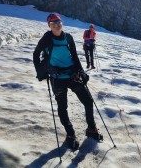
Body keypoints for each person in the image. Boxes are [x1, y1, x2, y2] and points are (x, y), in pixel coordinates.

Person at [33, 13, 103, 150]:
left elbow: (75, 57)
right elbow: (36, 54)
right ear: (49, 26)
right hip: (58, 78)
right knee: (62, 107)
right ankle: (70, 134)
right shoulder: (47, 38)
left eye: (58, 22)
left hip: (72, 75)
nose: (56, 25)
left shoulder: (68, 38)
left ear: (61, 23)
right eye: (53, 23)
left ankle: (91, 128)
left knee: (88, 101)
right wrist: (44, 70)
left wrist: (81, 71)